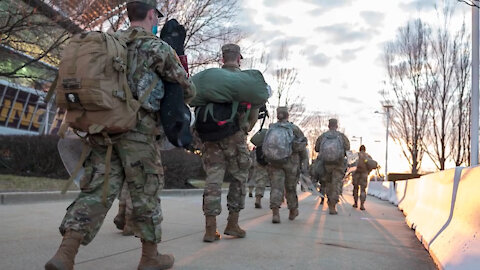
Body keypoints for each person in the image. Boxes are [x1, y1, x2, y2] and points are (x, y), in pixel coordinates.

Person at [45, 1, 195, 269]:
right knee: (146, 192)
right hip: (139, 133)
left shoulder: (107, 42)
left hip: (103, 129)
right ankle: (150, 257)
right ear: (152, 15)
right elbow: (187, 89)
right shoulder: (157, 47)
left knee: (96, 192)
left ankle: (65, 254)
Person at [201, 43, 261, 242]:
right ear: (239, 58)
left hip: (211, 137)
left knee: (213, 180)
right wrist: (244, 127)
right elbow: (253, 117)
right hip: (235, 136)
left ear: (222, 58)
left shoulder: (210, 81)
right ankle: (232, 224)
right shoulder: (246, 82)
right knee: (238, 178)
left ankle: (210, 229)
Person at [266, 107, 308, 223]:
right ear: (287, 115)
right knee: (290, 188)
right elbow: (302, 147)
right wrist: (304, 163)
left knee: (276, 187)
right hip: (291, 162)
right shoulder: (294, 128)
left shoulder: (271, 128)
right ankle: (292, 211)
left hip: (274, 162)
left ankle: (275, 213)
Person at [315, 119, 350, 215]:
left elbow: (317, 148)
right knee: (335, 185)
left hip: (326, 164)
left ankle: (328, 200)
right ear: (337, 126)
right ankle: (332, 206)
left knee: (328, 184)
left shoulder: (323, 136)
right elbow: (348, 149)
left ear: (328, 125)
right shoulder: (342, 137)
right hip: (338, 164)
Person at [352, 145, 372, 210]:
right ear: (365, 149)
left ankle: (355, 203)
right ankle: (362, 205)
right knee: (363, 190)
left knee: (355, 188)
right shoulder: (368, 156)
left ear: (359, 149)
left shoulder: (356, 155)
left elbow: (351, 164)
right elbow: (371, 165)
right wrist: (367, 172)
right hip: (364, 174)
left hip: (356, 174)